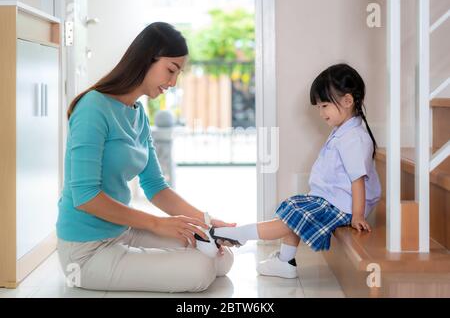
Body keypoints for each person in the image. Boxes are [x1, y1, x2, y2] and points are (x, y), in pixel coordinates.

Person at [56, 22, 234, 293]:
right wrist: (158, 224)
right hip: (84, 252)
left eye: (178, 73)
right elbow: (85, 196)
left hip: (121, 231)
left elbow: (155, 186)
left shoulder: (138, 113)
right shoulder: (93, 107)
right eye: (171, 70)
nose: (173, 83)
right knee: (201, 269)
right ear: (145, 58)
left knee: (220, 256)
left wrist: (207, 223)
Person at [209, 64, 382, 279]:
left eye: (325, 105)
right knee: (295, 207)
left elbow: (358, 179)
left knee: (295, 216)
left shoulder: (353, 138)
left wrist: (357, 215)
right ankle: (286, 261)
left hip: (343, 207)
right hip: (333, 200)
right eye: (318, 107)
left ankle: (242, 234)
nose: (321, 112)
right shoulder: (344, 131)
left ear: (347, 101)